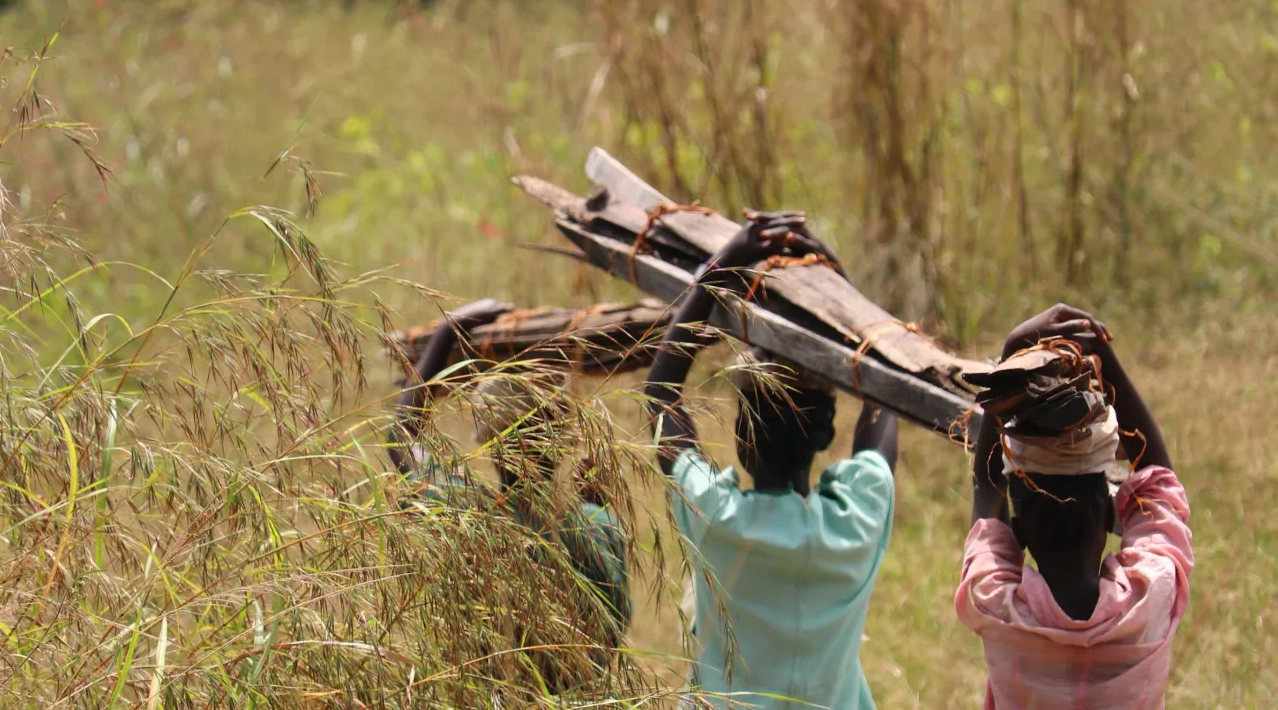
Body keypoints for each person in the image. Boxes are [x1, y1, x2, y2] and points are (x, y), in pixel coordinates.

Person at [644, 213, 900, 710]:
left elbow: (660, 395)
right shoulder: (858, 520)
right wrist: (831, 285)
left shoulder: (716, 517)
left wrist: (721, 269)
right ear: (826, 431)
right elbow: (882, 387)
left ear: (742, 437)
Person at [386, 298, 631, 688]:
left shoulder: (464, 511)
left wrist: (450, 332)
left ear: (488, 444)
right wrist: (595, 505)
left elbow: (401, 437)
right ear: (563, 435)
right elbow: (610, 631)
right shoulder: (600, 529)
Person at [958, 304, 1194, 709]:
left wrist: (1010, 360)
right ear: (1110, 514)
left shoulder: (996, 605)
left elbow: (986, 490)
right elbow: (1157, 477)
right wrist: (1107, 361)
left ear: (1019, 533)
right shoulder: (1151, 593)